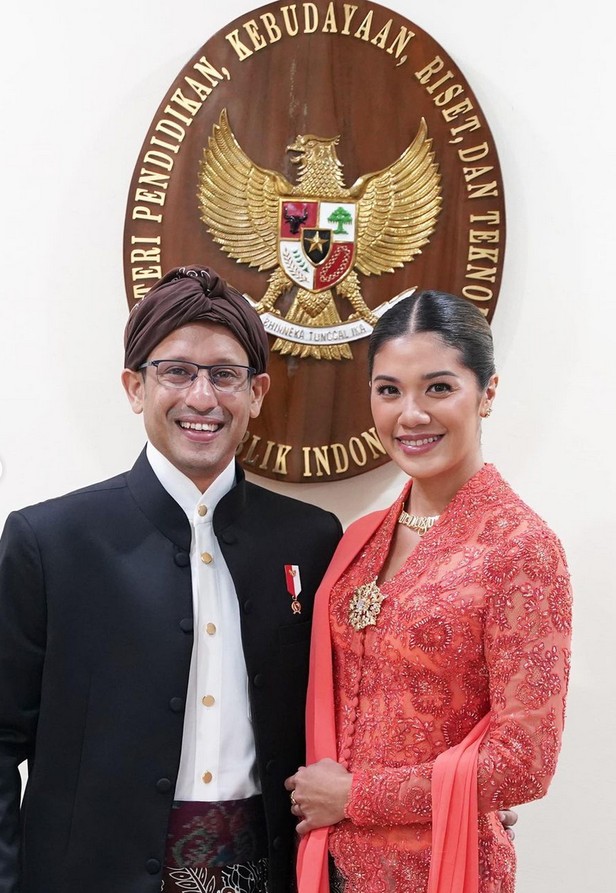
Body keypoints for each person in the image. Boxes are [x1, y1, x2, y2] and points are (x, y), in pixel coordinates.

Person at [0, 265, 344, 893]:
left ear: (258, 392)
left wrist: (444, 791)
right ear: (135, 387)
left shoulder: (313, 541)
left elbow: (359, 711)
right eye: (178, 371)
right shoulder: (49, 542)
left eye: (225, 375)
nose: (203, 398)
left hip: (267, 872)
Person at [285, 290, 572, 893]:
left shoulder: (519, 549)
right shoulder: (360, 541)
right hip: (331, 867)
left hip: (443, 866)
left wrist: (356, 796)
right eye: (389, 390)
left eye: (438, 388)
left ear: (487, 393)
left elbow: (526, 762)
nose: (410, 414)